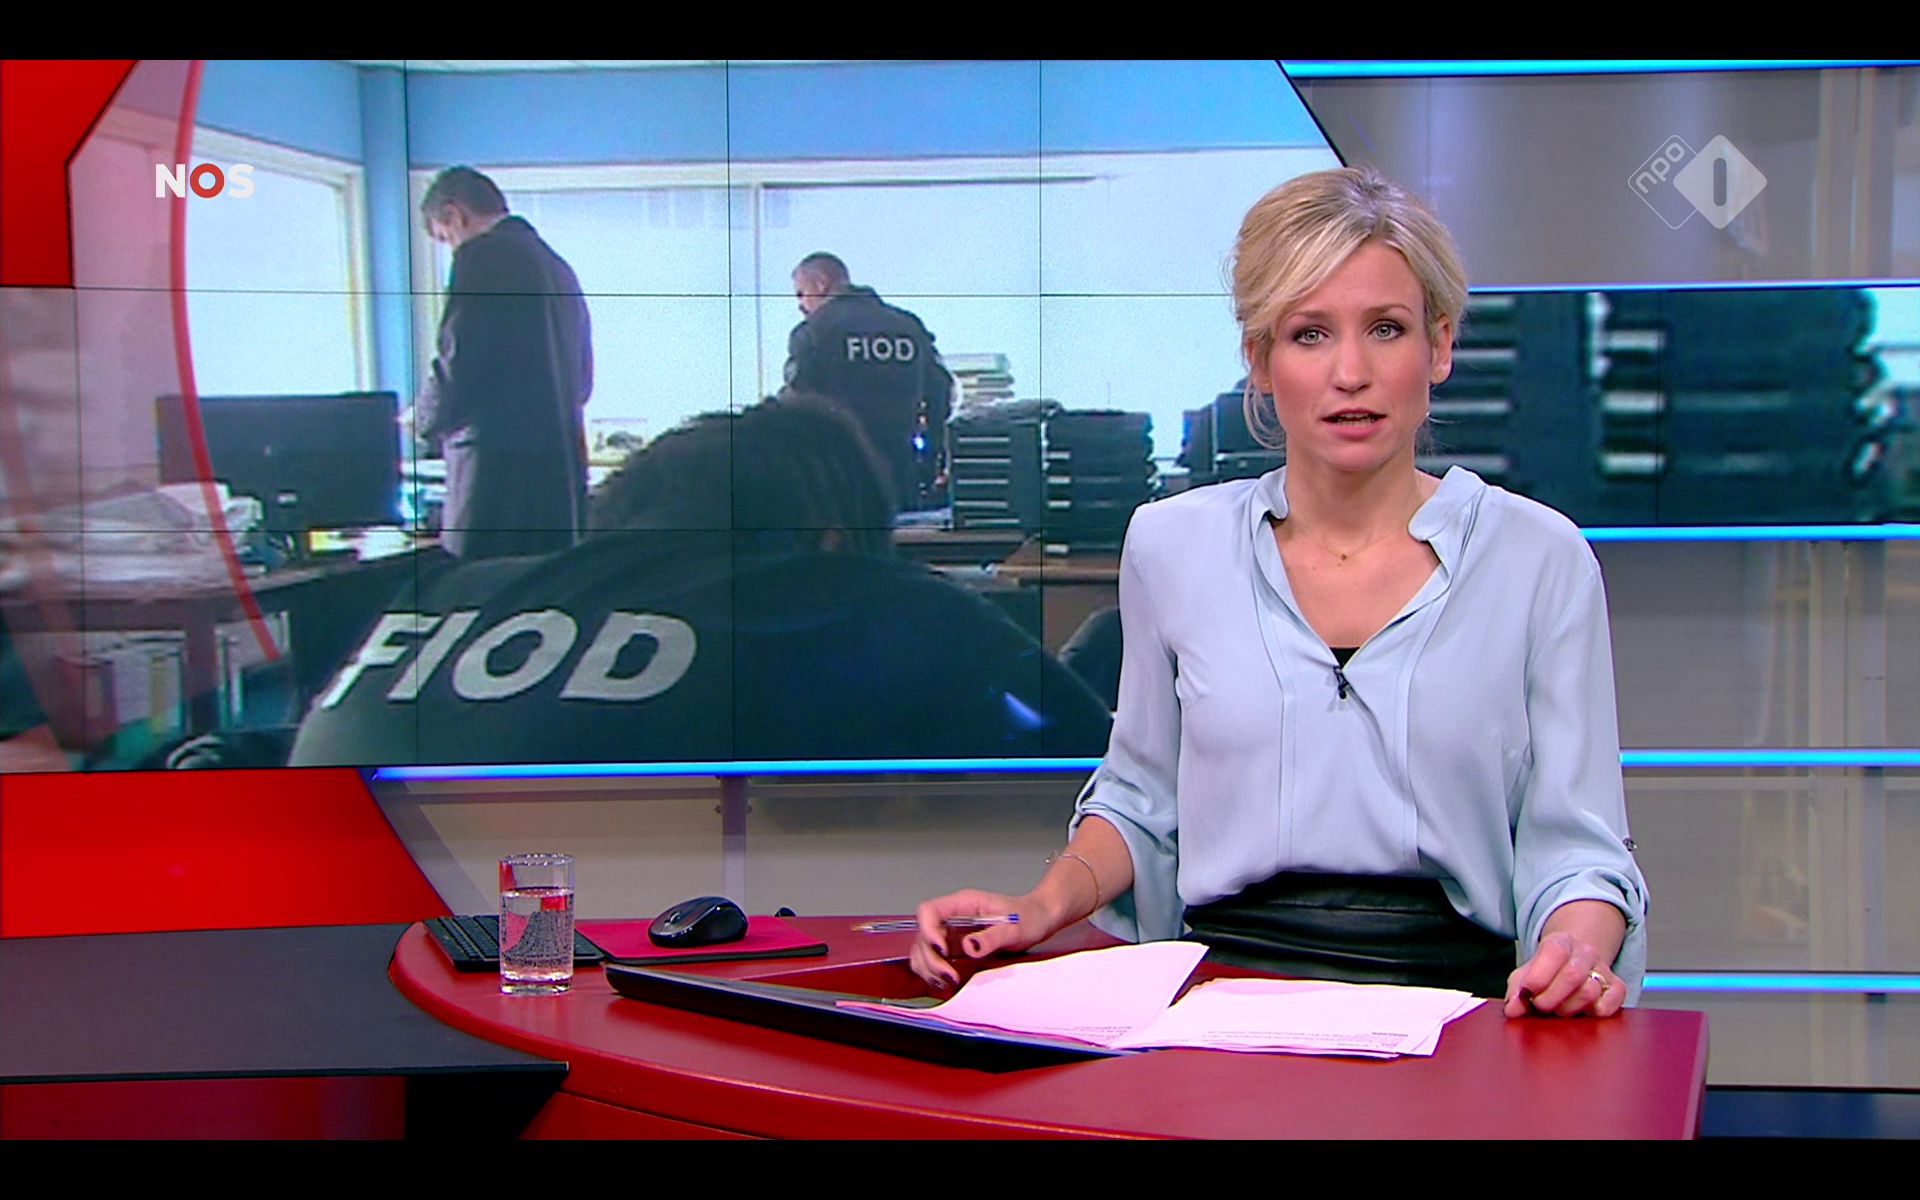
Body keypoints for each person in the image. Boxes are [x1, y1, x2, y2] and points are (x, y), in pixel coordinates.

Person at [911, 167, 1650, 1019]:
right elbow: (1141, 802)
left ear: (1439, 346)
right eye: (1309, 334)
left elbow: (1579, 849)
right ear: (1259, 360)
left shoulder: (1538, 558)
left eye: (1386, 328)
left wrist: (1574, 952)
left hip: (1453, 1005)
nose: (1350, 372)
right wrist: (1040, 907)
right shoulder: (1172, 545)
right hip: (1221, 1002)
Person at [288, 395, 1112, 767]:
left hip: (334, 973)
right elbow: (1104, 776)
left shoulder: (444, 594)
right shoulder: (863, 600)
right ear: (833, 541)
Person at [415, 166, 593, 560]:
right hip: (558, 485)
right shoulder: (560, 268)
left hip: (493, 485)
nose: (451, 248)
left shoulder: (480, 256)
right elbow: (582, 382)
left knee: (477, 591)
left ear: (454, 214)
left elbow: (457, 364)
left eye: (445, 238)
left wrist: (422, 420)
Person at [783, 253, 954, 511]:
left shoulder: (815, 331)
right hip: (901, 470)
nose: (801, 306)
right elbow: (940, 392)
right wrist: (932, 461)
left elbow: (796, 403)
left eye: (801, 294)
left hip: (840, 475)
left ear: (821, 283)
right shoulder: (908, 327)